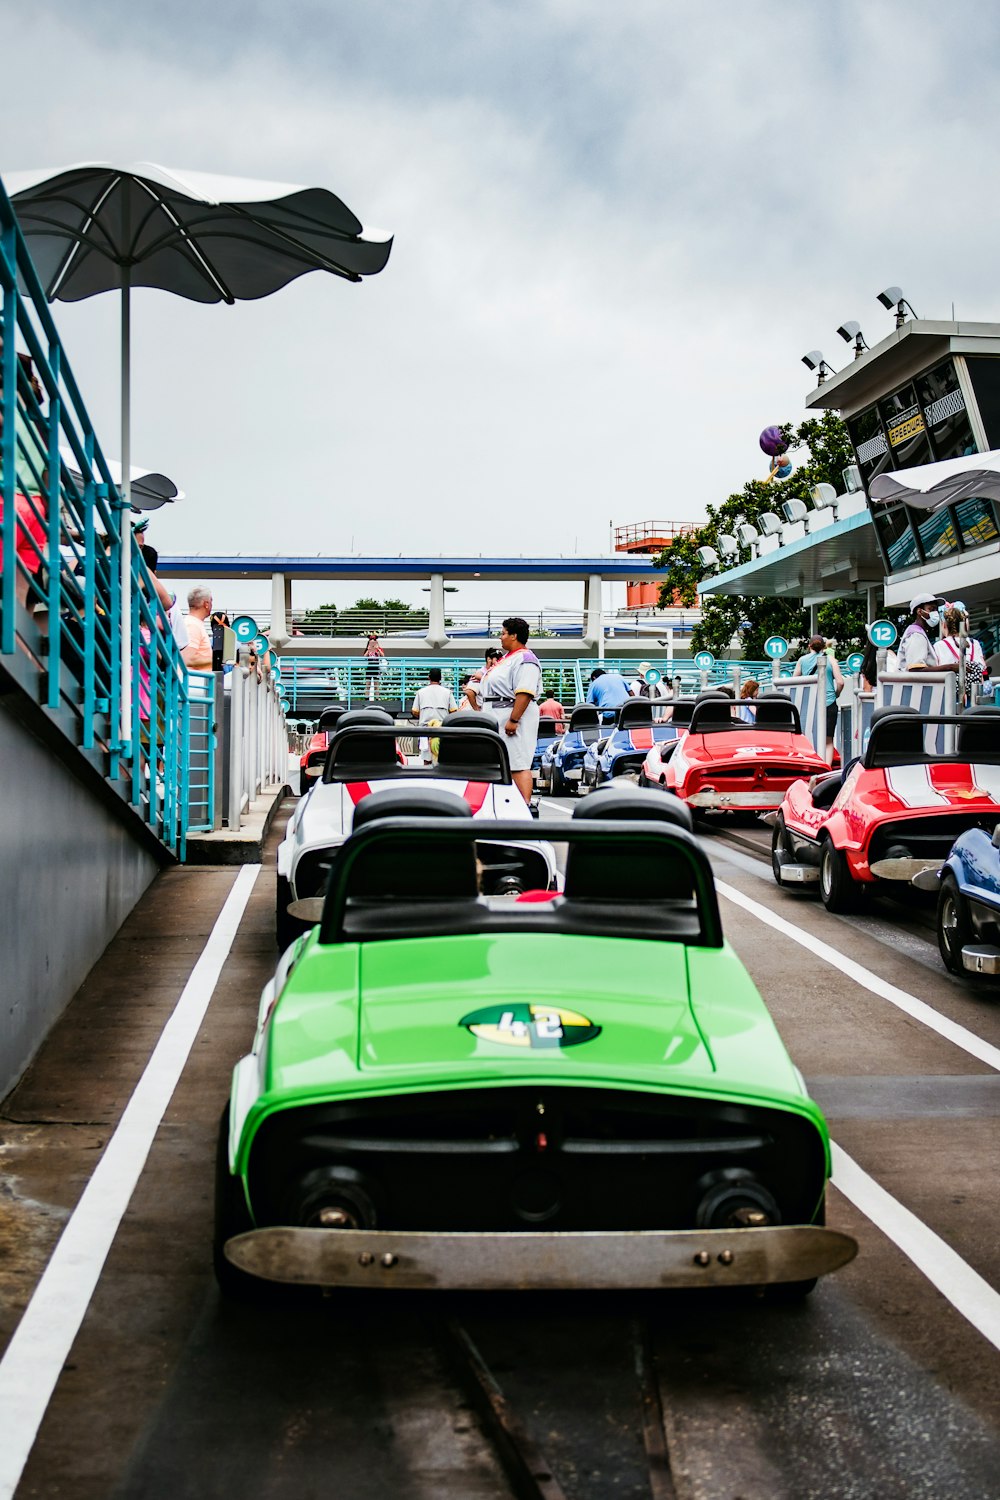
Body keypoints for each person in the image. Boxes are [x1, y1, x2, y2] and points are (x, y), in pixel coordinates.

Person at [472, 617, 542, 805]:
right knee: (503, 763)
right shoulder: (507, 659)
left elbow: (525, 691)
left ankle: (525, 807)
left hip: (510, 713)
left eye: (503, 633)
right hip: (497, 713)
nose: (500, 637)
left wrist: (514, 719)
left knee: (517, 763)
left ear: (514, 635)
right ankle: (508, 806)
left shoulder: (526, 659)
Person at [793, 634, 844, 764]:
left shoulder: (802, 660)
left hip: (810, 704)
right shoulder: (831, 660)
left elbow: (794, 681)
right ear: (824, 647)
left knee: (808, 737)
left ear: (809, 646)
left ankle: (812, 766)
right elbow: (840, 682)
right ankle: (826, 768)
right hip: (829, 703)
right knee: (828, 740)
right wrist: (836, 694)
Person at [936, 603, 990, 705]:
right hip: (974, 696)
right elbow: (983, 668)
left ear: (944, 625)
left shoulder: (939, 645)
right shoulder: (974, 643)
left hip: (949, 696)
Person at [411, 667, 457, 761]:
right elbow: (454, 711)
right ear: (440, 678)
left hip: (425, 729)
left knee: (427, 760)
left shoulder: (420, 692)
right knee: (442, 758)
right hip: (442, 730)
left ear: (429, 677)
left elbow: (414, 711)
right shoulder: (448, 693)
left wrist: (423, 716)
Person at [896, 594, 944, 673]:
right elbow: (915, 669)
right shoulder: (916, 635)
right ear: (919, 611)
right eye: (931, 609)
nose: (935, 613)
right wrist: (949, 667)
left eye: (936, 610)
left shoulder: (919, 632)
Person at [183, 585, 214, 670]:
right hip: (195, 681)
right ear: (206, 604)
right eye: (211, 601)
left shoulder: (193, 623)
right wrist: (216, 659)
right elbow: (188, 659)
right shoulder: (193, 625)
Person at [363, 631, 385, 699]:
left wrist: (377, 648)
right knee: (368, 684)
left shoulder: (378, 649)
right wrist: (368, 650)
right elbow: (364, 657)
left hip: (376, 667)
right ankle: (366, 698)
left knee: (376, 684)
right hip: (369, 667)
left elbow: (383, 656)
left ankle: (377, 698)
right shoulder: (368, 649)